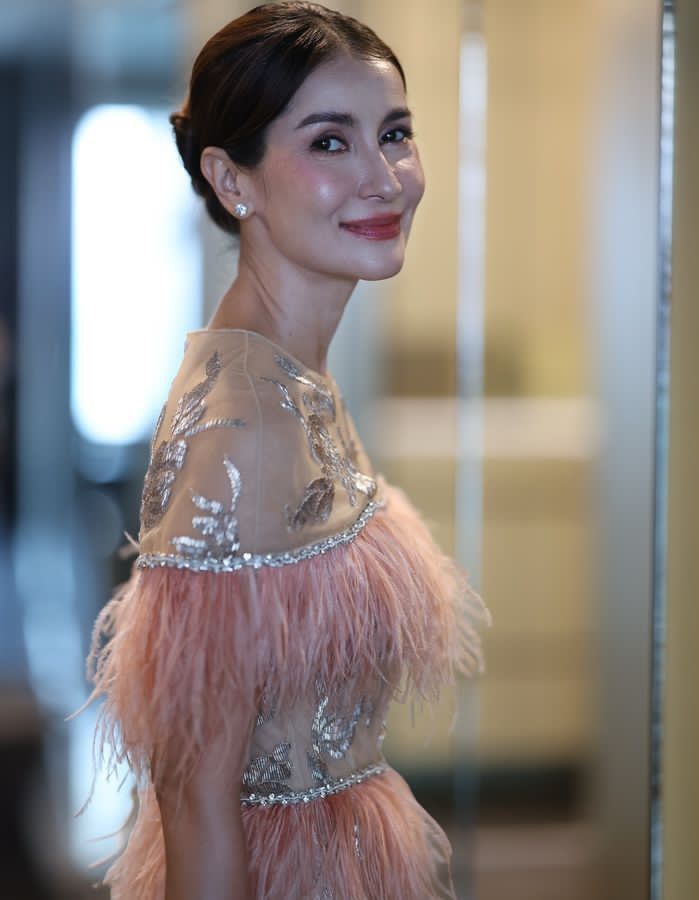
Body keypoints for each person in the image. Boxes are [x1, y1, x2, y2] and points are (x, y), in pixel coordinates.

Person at [77, 3, 490, 898]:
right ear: (234, 181)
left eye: (395, 134)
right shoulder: (240, 431)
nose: (385, 178)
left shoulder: (292, 376)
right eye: (330, 143)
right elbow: (195, 801)